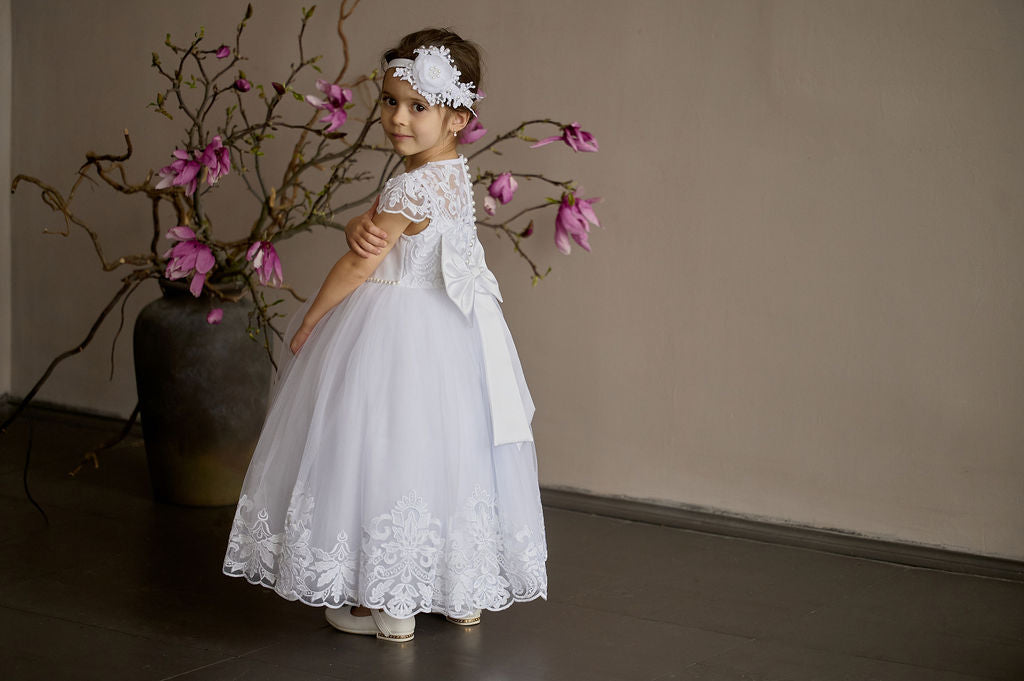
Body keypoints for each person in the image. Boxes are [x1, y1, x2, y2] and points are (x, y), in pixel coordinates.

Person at [221, 28, 549, 643]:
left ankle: (392, 605)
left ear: (458, 116)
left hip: (398, 328)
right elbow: (402, 233)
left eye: (417, 106)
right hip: (454, 331)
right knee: (446, 452)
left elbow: (361, 265)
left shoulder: (408, 182)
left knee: (383, 447)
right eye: (390, 101)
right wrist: (363, 222)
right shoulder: (452, 171)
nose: (398, 118)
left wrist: (314, 317)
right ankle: (460, 594)